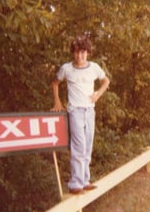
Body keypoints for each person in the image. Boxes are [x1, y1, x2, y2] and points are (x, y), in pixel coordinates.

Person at [51, 35, 110, 194]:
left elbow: (106, 81)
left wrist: (97, 94)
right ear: (73, 53)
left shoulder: (94, 68)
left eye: (83, 52)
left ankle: (85, 180)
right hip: (75, 111)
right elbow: (55, 83)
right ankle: (75, 184)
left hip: (89, 110)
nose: (79, 56)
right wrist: (57, 102)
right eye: (77, 52)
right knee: (79, 146)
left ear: (88, 53)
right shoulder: (66, 68)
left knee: (88, 145)